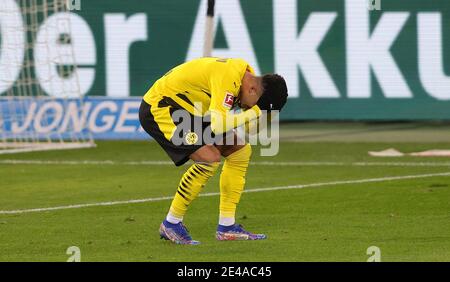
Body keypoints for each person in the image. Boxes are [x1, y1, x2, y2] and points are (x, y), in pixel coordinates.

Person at [139, 57, 288, 245]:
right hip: (162, 108)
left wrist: (261, 112)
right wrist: (256, 111)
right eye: (253, 104)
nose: (247, 108)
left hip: (191, 111)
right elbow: (218, 126)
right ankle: (171, 223)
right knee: (208, 159)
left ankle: (227, 227)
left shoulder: (243, 76)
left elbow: (247, 128)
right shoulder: (230, 78)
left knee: (240, 150)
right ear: (252, 90)